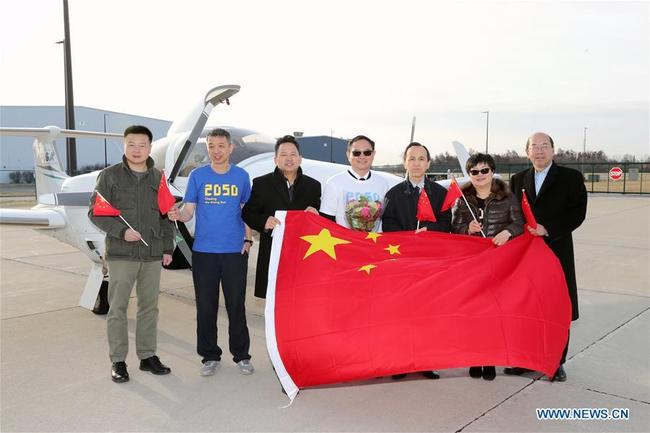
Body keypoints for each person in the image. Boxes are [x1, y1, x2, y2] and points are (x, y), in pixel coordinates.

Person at [88, 125, 174, 383]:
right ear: (124, 146)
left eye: (142, 145)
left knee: (150, 307)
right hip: (121, 253)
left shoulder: (157, 177)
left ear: (150, 147)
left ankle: (147, 357)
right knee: (117, 308)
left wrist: (168, 248)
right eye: (131, 144)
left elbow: (166, 216)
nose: (137, 150)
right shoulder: (109, 176)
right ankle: (118, 361)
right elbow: (95, 212)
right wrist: (120, 232)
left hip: (152, 254)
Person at [167, 128, 254, 377]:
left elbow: (245, 210)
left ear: (230, 148)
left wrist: (248, 239)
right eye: (211, 146)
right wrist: (178, 214)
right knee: (206, 306)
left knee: (236, 305)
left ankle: (241, 355)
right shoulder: (198, 175)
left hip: (234, 251)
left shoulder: (241, 176)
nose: (216, 151)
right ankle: (209, 356)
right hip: (204, 251)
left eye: (221, 146)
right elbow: (189, 211)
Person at [506, 132, 587, 382]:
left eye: (544, 146)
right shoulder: (518, 178)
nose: (539, 151)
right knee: (529, 305)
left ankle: (556, 361)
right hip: (527, 253)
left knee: (558, 306)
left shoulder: (570, 178)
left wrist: (548, 227)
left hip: (557, 249)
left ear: (553, 150)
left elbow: (578, 213)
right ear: (527, 152)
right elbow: (513, 212)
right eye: (534, 147)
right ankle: (527, 360)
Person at [451, 153, 524, 381]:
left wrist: (508, 232)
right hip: (471, 264)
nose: (480, 175)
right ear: (469, 174)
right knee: (473, 314)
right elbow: (454, 227)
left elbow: (520, 223)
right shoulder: (462, 199)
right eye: (474, 172)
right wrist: (467, 229)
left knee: (493, 314)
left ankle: (490, 358)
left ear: (492, 171)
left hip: (498, 263)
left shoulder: (508, 197)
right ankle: (474, 357)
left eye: (484, 170)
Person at [382, 142, 452, 381]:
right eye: (412, 158)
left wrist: (429, 230)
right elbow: (388, 225)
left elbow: (446, 223)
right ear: (405, 162)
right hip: (403, 263)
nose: (416, 163)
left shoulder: (440, 194)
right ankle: (401, 361)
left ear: (429, 163)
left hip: (430, 263)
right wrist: (408, 237)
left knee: (428, 313)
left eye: (421, 159)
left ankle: (426, 361)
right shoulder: (393, 194)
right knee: (401, 313)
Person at [242, 135, 321, 299]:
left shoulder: (313, 186)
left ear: (300, 158)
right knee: (274, 301)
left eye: (293, 154)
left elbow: (324, 218)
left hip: (303, 253)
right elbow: (248, 213)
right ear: (276, 159)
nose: (289, 158)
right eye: (283, 154)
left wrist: (317, 214)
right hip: (273, 252)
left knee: (301, 299)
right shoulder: (261, 184)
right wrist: (264, 221)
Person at [320, 135, 390, 232]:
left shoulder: (383, 183)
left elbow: (387, 218)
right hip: (345, 243)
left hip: (374, 244)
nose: (362, 156)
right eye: (356, 153)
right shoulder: (334, 183)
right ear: (348, 154)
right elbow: (326, 220)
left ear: (373, 154)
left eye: (367, 152)